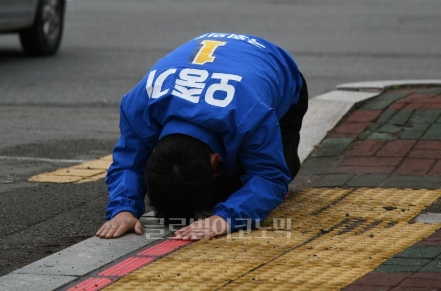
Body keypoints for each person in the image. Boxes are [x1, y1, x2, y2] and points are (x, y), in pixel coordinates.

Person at [95, 33, 308, 241]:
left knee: (252, 186)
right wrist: (123, 209)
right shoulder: (139, 108)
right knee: (199, 191)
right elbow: (128, 163)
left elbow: (269, 176)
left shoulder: (251, 116)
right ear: (151, 153)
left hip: (276, 68)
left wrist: (225, 218)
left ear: (216, 160)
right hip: (228, 74)